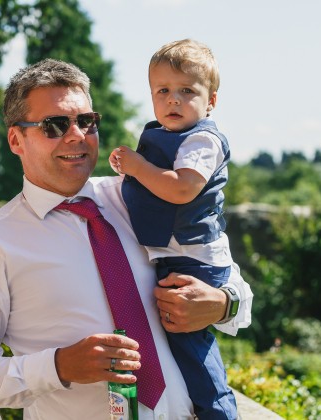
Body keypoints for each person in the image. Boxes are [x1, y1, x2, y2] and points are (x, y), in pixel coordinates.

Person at [0, 58, 252, 420]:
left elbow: (225, 274)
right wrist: (58, 366)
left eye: (86, 121)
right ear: (16, 139)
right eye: (54, 125)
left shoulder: (141, 198)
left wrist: (222, 302)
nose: (77, 135)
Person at [109, 39, 238, 419]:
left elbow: (181, 188)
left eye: (187, 91)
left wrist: (136, 167)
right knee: (181, 346)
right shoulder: (164, 136)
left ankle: (219, 413)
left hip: (193, 259)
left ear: (210, 101)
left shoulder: (201, 140)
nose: (173, 100)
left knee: (192, 350)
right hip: (179, 256)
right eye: (162, 91)